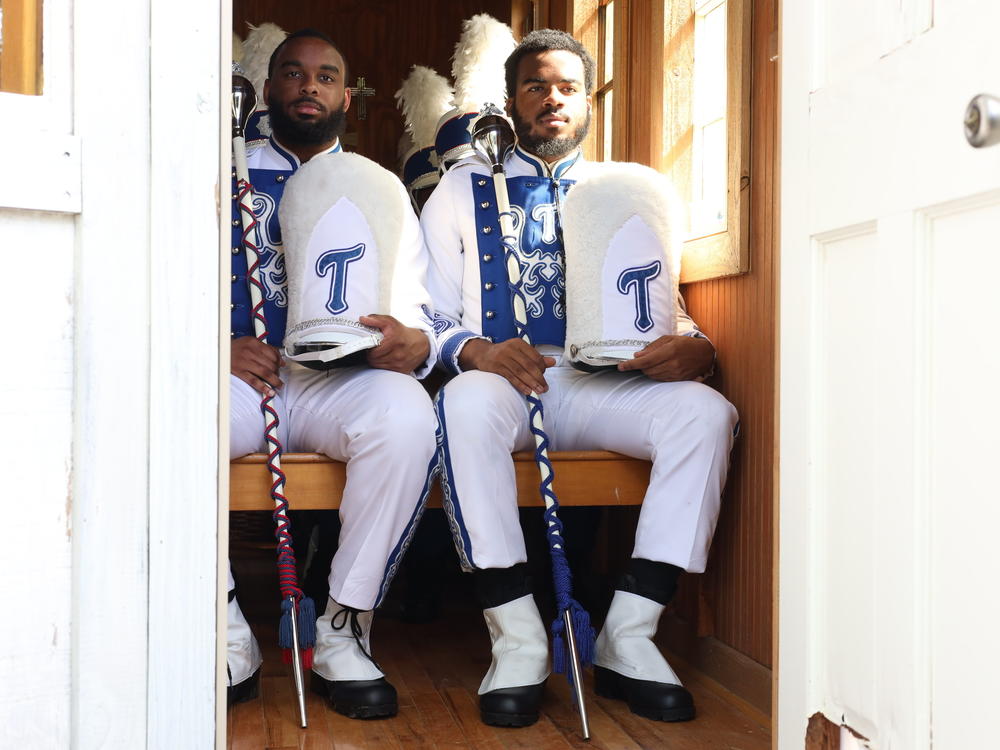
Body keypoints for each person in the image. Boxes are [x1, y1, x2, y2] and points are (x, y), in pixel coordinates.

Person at [420, 29, 738, 727]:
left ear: (587, 101)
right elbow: (428, 312)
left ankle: (630, 636)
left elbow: (666, 307)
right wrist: (477, 351)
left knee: (706, 414)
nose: (553, 100)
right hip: (504, 383)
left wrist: (698, 348)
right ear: (512, 101)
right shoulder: (460, 187)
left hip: (603, 383)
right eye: (536, 86)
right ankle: (519, 639)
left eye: (568, 87)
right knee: (465, 407)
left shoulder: (626, 189)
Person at [227, 28, 438, 720]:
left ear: (347, 95)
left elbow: (416, 299)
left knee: (406, 417)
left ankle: (346, 629)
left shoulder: (380, 187)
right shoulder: (222, 170)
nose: (308, 87)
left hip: (336, 381)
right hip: (238, 376)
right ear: (269, 89)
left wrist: (411, 341)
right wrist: (210, 346)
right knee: (162, 417)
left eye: (325, 77)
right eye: (293, 74)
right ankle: (222, 629)